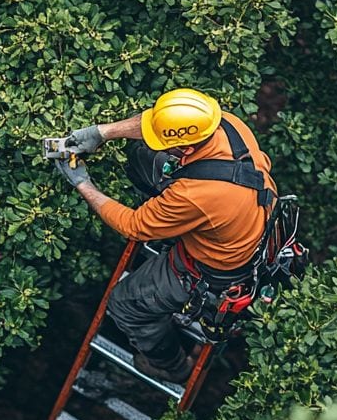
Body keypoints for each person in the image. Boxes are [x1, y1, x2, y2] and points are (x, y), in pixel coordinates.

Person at [53, 88, 278, 383]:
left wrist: (83, 184)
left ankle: (172, 366)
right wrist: (101, 133)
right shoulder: (225, 123)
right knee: (142, 154)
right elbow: (153, 125)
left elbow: (133, 226)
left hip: (216, 267)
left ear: (185, 149)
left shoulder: (194, 195)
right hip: (246, 216)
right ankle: (166, 217)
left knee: (124, 304)